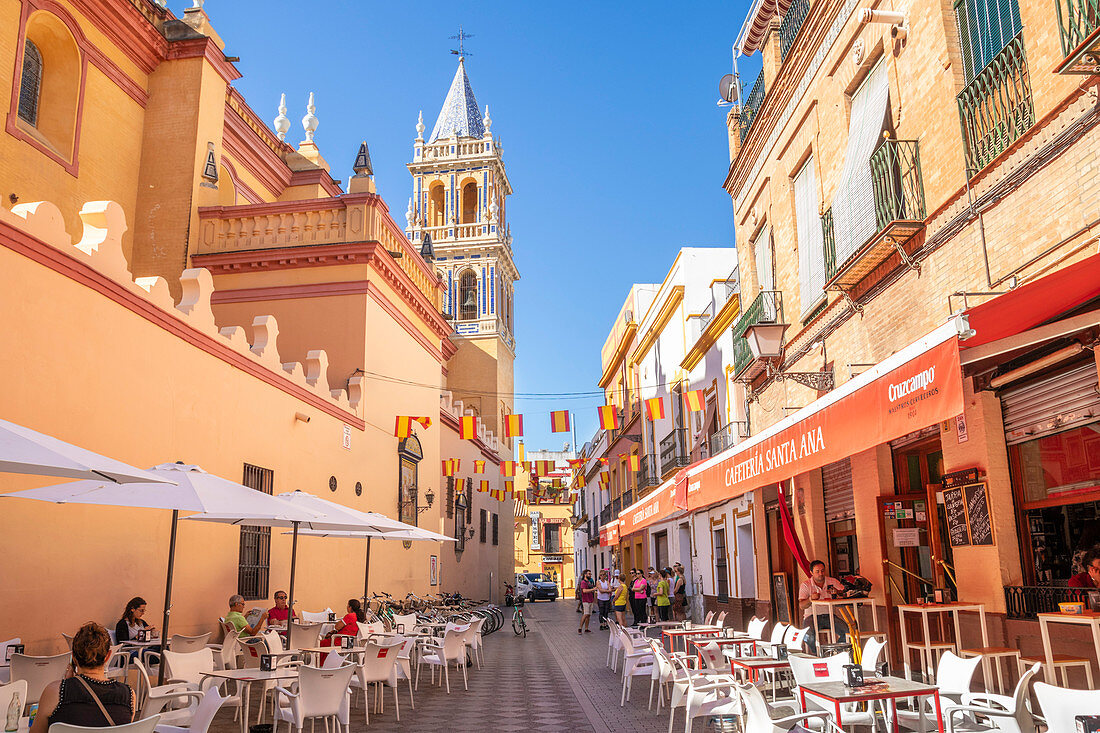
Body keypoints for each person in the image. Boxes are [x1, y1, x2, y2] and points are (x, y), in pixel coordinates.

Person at [32, 622, 134, 733]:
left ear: (73, 658)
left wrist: (68, 684)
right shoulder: (129, 695)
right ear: (108, 656)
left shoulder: (55, 692)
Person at [798, 560, 849, 654]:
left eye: (822, 571)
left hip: (830, 615)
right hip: (812, 616)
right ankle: (819, 654)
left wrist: (837, 593)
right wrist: (810, 599)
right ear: (811, 572)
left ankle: (835, 653)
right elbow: (801, 606)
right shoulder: (806, 585)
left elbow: (846, 593)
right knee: (808, 636)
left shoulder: (832, 581)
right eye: (817, 571)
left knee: (847, 632)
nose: (820, 574)